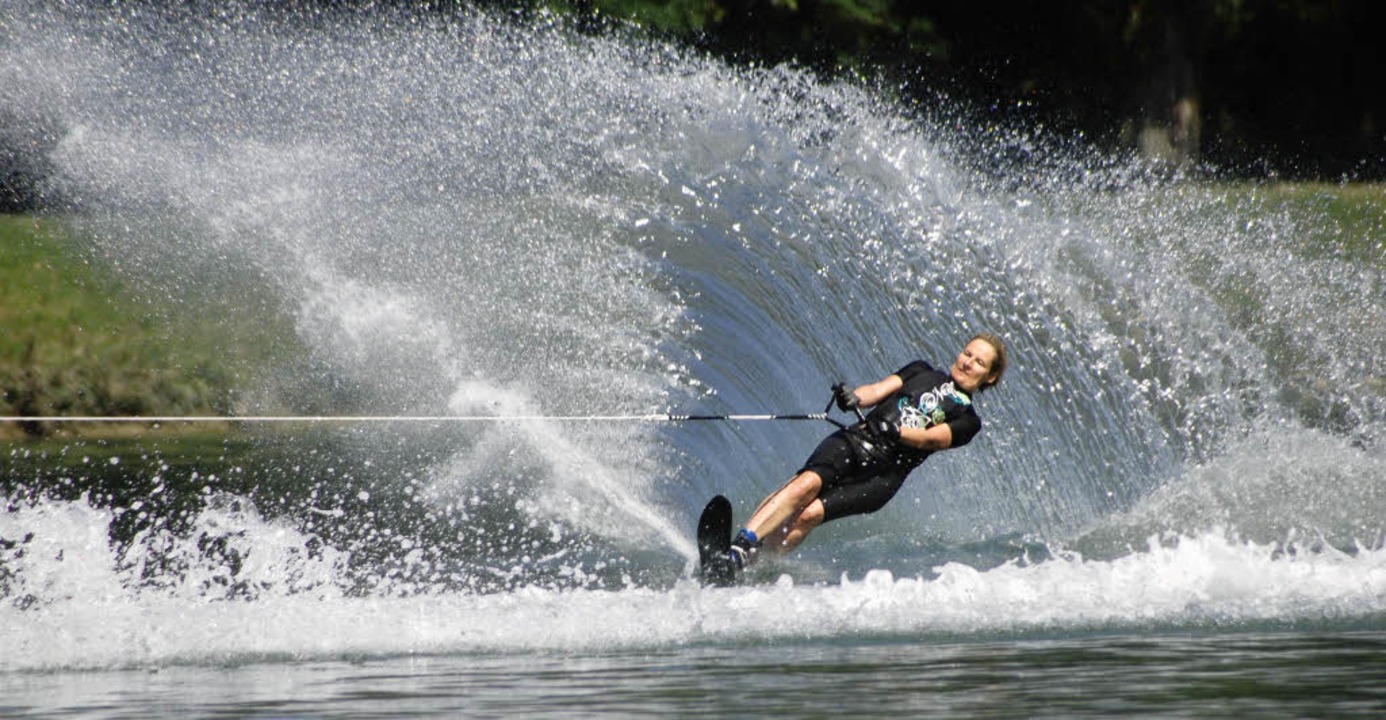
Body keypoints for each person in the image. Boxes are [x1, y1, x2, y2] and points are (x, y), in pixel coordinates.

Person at [715, 333, 1007, 578]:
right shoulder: (922, 370)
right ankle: (739, 548)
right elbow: (877, 390)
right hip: (856, 440)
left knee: (811, 514)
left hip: (883, 476)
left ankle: (749, 567)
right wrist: (854, 397)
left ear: (990, 376)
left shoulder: (969, 421)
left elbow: (932, 439)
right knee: (806, 485)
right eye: (967, 353)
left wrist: (898, 432)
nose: (967, 362)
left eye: (979, 362)